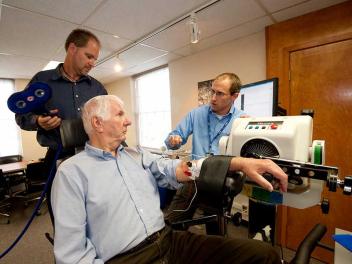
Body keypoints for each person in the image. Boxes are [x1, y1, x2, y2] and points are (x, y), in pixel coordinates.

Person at [51, 94, 287, 264]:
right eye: (120, 114)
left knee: (264, 255)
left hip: (168, 242)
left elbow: (179, 168)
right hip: (127, 258)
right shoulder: (72, 173)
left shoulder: (137, 155)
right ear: (97, 123)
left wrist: (238, 162)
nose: (128, 120)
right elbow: (72, 255)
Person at [15, 28, 107, 223]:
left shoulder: (97, 87)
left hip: (93, 159)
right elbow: (21, 116)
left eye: (95, 59)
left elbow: (108, 120)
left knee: (97, 217)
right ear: (72, 48)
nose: (93, 63)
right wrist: (39, 121)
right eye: (89, 56)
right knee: (65, 221)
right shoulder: (42, 80)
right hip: (58, 160)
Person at [164, 72, 247, 234]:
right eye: (212, 92)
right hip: (193, 171)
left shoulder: (242, 120)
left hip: (220, 177)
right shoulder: (197, 114)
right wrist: (173, 140)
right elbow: (171, 139)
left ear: (234, 96)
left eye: (220, 93)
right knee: (172, 222)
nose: (213, 98)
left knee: (215, 228)